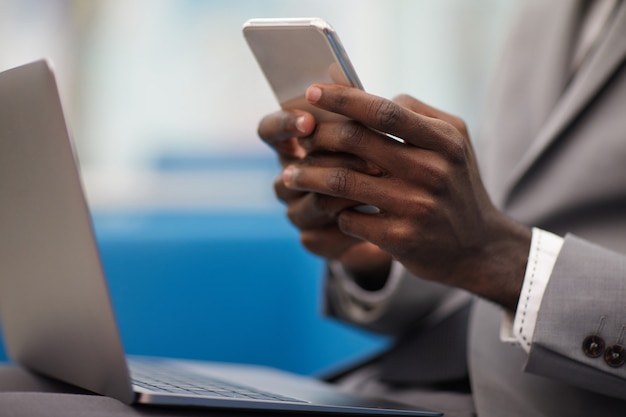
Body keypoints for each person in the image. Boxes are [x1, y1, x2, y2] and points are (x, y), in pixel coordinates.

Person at [257, 1, 626, 416]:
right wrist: (384, 246)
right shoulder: (541, 12)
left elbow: (498, 250)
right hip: (411, 386)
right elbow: (503, 234)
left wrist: (496, 257)